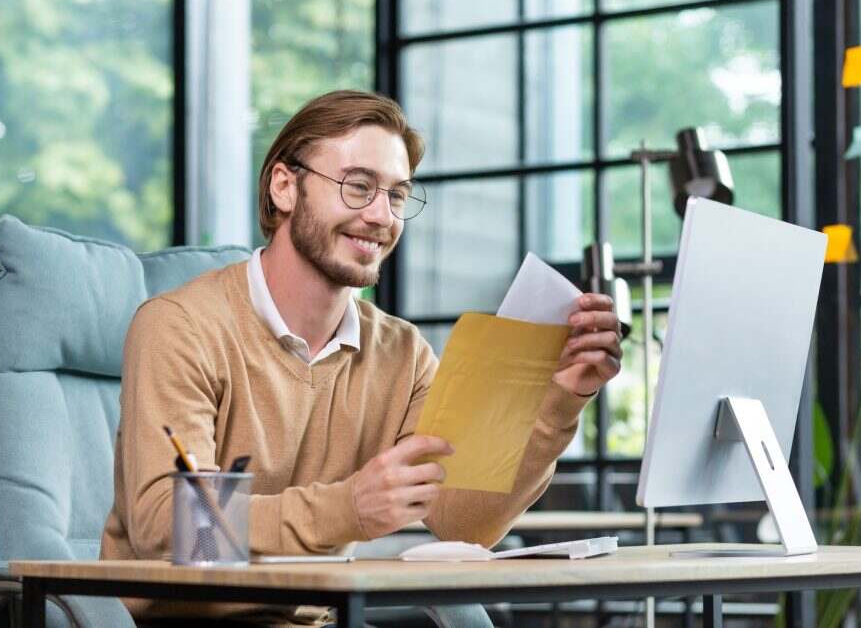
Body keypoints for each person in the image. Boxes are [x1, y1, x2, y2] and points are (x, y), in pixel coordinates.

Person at [99, 90, 623, 626]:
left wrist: (561, 402)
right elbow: (178, 527)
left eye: (397, 195)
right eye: (358, 186)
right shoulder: (181, 326)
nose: (381, 215)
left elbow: (461, 524)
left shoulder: (401, 353)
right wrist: (347, 508)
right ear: (284, 186)